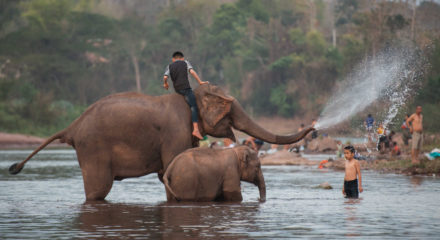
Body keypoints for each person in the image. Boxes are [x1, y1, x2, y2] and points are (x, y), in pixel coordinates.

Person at [163, 51, 208, 139]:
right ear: (182, 58)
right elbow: (192, 72)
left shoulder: (169, 66)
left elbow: (165, 77)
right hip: (186, 89)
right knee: (193, 107)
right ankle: (195, 129)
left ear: (173, 59)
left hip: (177, 90)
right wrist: (200, 82)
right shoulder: (185, 62)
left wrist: (165, 84)